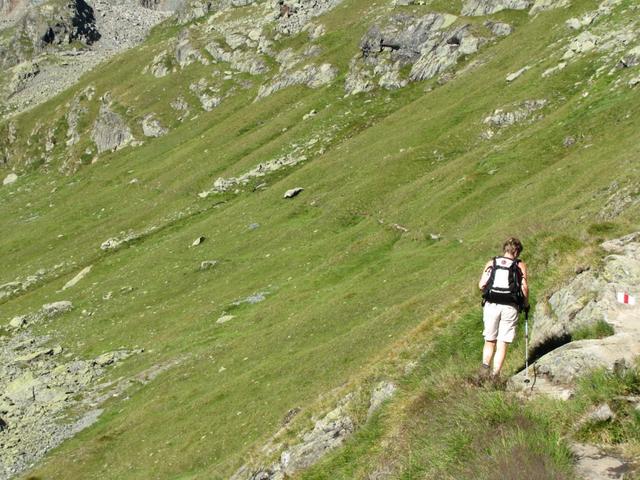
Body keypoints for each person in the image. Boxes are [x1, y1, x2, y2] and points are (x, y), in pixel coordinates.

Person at [478, 237, 528, 377]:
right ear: (516, 252)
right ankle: (495, 376)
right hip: (510, 307)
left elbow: (481, 285)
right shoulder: (520, 265)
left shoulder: (492, 263)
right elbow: (524, 287)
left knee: (490, 340)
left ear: (505, 249)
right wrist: (526, 304)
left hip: (491, 305)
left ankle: (484, 369)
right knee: (502, 342)